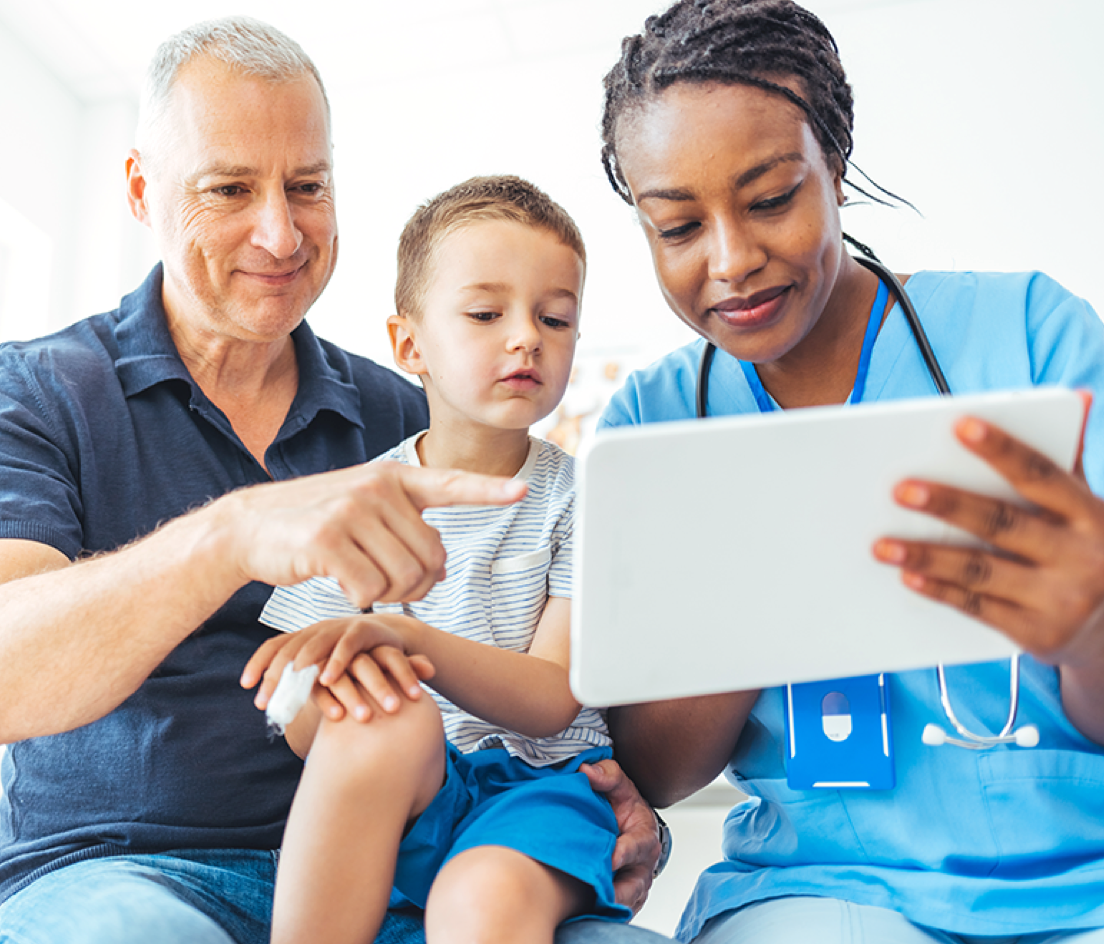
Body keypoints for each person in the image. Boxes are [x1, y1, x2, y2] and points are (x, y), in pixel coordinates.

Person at [0, 18, 661, 944]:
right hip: (129, 871)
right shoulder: (40, 391)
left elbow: (537, 680)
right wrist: (231, 534)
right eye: (229, 188)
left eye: (307, 187)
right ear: (144, 190)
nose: (280, 231)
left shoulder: (415, 422)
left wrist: (610, 800)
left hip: (414, 862)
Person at [576, 1, 1104, 943]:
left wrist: (1089, 623)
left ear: (837, 168)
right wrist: (751, 604)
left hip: (1083, 875)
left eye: (772, 199)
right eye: (678, 227)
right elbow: (654, 772)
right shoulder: (651, 427)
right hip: (822, 894)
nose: (732, 261)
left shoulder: (1032, 337)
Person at [241, 175, 636, 944]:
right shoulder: (354, 500)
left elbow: (556, 697)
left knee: (479, 900)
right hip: (413, 790)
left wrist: (407, 642)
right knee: (375, 716)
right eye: (487, 314)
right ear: (409, 345)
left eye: (555, 318)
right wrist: (326, 683)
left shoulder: (582, 498)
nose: (526, 336)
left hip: (542, 794)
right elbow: (298, 722)